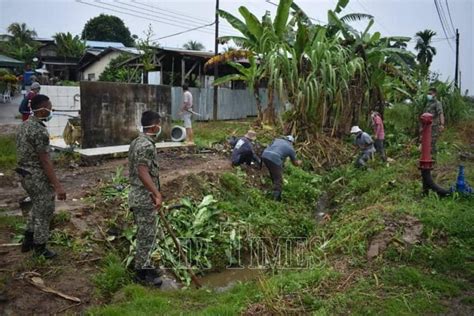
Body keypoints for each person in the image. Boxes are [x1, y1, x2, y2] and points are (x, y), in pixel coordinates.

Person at [16, 94, 66, 259]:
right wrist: (57, 186)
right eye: (50, 108)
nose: (51, 111)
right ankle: (40, 248)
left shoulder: (25, 125)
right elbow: (45, 161)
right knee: (45, 210)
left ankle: (28, 240)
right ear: (43, 109)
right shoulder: (39, 131)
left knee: (37, 206)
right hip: (35, 175)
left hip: (24, 174)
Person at [128, 110, 164, 287]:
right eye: (159, 123)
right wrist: (156, 193)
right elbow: (142, 171)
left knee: (145, 234)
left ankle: (143, 266)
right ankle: (142, 274)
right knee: (146, 236)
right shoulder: (146, 146)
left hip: (140, 196)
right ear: (155, 125)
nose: (160, 126)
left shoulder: (137, 141)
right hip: (144, 198)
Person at [262, 136, 302, 201]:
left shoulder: (277, 140)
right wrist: (299, 162)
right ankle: (275, 200)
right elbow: (295, 163)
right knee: (279, 179)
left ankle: (271, 189)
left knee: (274, 174)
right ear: (292, 142)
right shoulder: (290, 148)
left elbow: (270, 146)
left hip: (264, 155)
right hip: (274, 158)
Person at [424, 87, 445, 156]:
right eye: (428, 93)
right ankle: (428, 156)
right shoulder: (428, 103)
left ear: (434, 94)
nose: (429, 95)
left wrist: (442, 124)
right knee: (426, 141)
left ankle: (433, 157)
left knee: (432, 142)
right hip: (427, 126)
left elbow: (440, 113)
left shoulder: (437, 103)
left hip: (434, 126)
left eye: (430, 94)